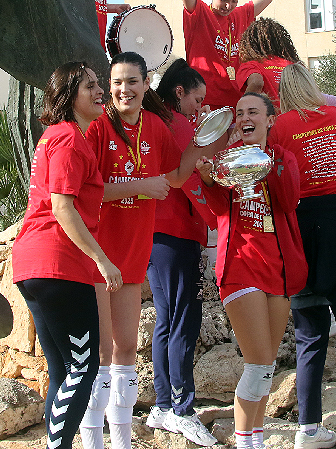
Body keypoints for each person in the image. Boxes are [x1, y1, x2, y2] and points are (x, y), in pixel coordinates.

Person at [81, 52, 218, 449]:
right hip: (99, 254)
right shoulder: (97, 129)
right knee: (101, 352)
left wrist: (198, 143)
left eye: (133, 82)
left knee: (124, 349)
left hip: (135, 251)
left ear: (145, 85)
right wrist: (140, 185)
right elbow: (87, 192)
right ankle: (93, 439)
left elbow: (175, 178)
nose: (124, 90)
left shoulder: (155, 126)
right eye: (117, 82)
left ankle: (122, 439)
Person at [12, 61, 123, 449]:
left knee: (64, 370)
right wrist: (102, 259)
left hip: (39, 265)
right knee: (84, 366)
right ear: (67, 95)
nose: (100, 91)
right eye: (90, 85)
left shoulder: (61, 137)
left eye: (98, 84)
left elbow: (82, 195)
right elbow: (62, 207)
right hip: (57, 264)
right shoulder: (68, 139)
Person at [194, 92, 307, 449]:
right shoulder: (225, 160)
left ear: (270, 120)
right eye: (240, 112)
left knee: (266, 368)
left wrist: (268, 164)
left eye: (253, 112)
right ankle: (247, 443)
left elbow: (289, 201)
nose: (245, 118)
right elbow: (217, 211)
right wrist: (210, 179)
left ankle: (254, 437)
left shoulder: (284, 157)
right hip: (240, 266)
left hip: (280, 271)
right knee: (257, 364)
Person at [272, 63, 336, 449]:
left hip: (301, 225)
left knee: (309, 336)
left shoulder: (280, 126)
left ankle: (308, 428)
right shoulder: (333, 116)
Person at [145, 59, 218, 446]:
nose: (201, 107)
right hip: (176, 233)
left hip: (160, 233)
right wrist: (220, 219)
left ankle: (162, 404)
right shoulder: (180, 126)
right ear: (179, 92)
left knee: (168, 319)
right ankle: (181, 408)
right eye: (198, 99)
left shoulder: (161, 122)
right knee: (183, 319)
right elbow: (190, 180)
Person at [235, 18, 302, 110]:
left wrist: (244, 109)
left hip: (271, 120)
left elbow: (256, 82)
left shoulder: (252, 65)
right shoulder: (294, 64)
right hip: (299, 118)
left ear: (249, 43)